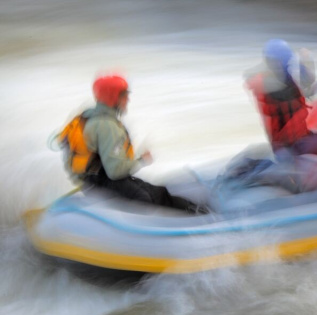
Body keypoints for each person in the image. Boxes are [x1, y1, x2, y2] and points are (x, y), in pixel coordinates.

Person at [57, 74, 207, 214]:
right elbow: (116, 172)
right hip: (102, 181)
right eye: (124, 96)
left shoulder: (90, 116)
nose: (127, 100)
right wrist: (141, 160)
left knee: (159, 192)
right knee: (144, 199)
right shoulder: (106, 126)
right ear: (112, 97)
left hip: (92, 179)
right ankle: (190, 219)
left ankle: (198, 212)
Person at [245, 39, 317, 161]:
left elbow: (308, 89)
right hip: (286, 147)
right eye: (282, 62)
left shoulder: (285, 78)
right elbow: (300, 90)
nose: (285, 65)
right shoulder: (266, 84)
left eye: (286, 62)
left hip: (301, 136)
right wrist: (306, 68)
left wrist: (307, 66)